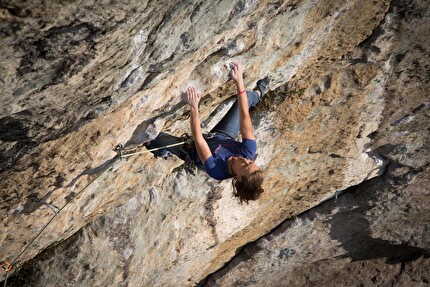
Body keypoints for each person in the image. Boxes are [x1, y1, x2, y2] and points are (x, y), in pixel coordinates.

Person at [146, 61, 269, 204]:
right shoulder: (248, 152)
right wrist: (239, 81)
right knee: (247, 97)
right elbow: (244, 116)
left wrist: (194, 107)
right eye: (250, 161)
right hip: (222, 136)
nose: (246, 159)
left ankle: (159, 151)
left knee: (155, 138)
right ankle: (260, 91)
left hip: (192, 151)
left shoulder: (216, 170)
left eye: (245, 165)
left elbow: (198, 140)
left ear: (239, 177)